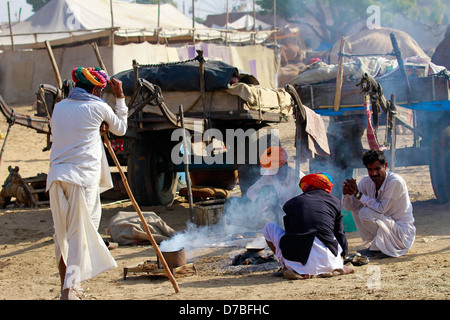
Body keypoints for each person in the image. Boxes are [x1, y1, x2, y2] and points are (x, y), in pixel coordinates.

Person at [46, 67, 128, 300]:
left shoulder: (59, 107)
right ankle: (69, 292)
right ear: (95, 89)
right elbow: (120, 128)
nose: (101, 95)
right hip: (81, 179)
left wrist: (98, 126)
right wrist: (120, 97)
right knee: (79, 235)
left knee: (61, 234)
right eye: (100, 91)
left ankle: (68, 287)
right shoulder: (98, 106)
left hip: (56, 177)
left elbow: (74, 131)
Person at [263, 172, 349, 279]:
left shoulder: (292, 203)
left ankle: (285, 267)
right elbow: (340, 234)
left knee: (269, 227)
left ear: (306, 186)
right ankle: (337, 266)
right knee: (332, 233)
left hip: (298, 265)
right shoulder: (335, 202)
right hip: (331, 264)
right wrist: (342, 258)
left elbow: (289, 234)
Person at [342, 149, 416, 258]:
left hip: (401, 234)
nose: (374, 173)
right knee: (358, 209)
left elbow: (382, 209)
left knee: (365, 212)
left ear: (385, 166)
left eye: (377, 169)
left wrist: (359, 195)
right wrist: (347, 194)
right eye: (370, 170)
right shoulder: (366, 181)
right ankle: (377, 246)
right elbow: (350, 208)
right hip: (388, 224)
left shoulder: (395, 181)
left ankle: (384, 247)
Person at [246, 146, 304, 225]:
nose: (273, 173)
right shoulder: (270, 175)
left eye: (276, 169)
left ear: (284, 165)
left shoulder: (299, 178)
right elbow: (250, 191)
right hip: (279, 220)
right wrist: (259, 199)